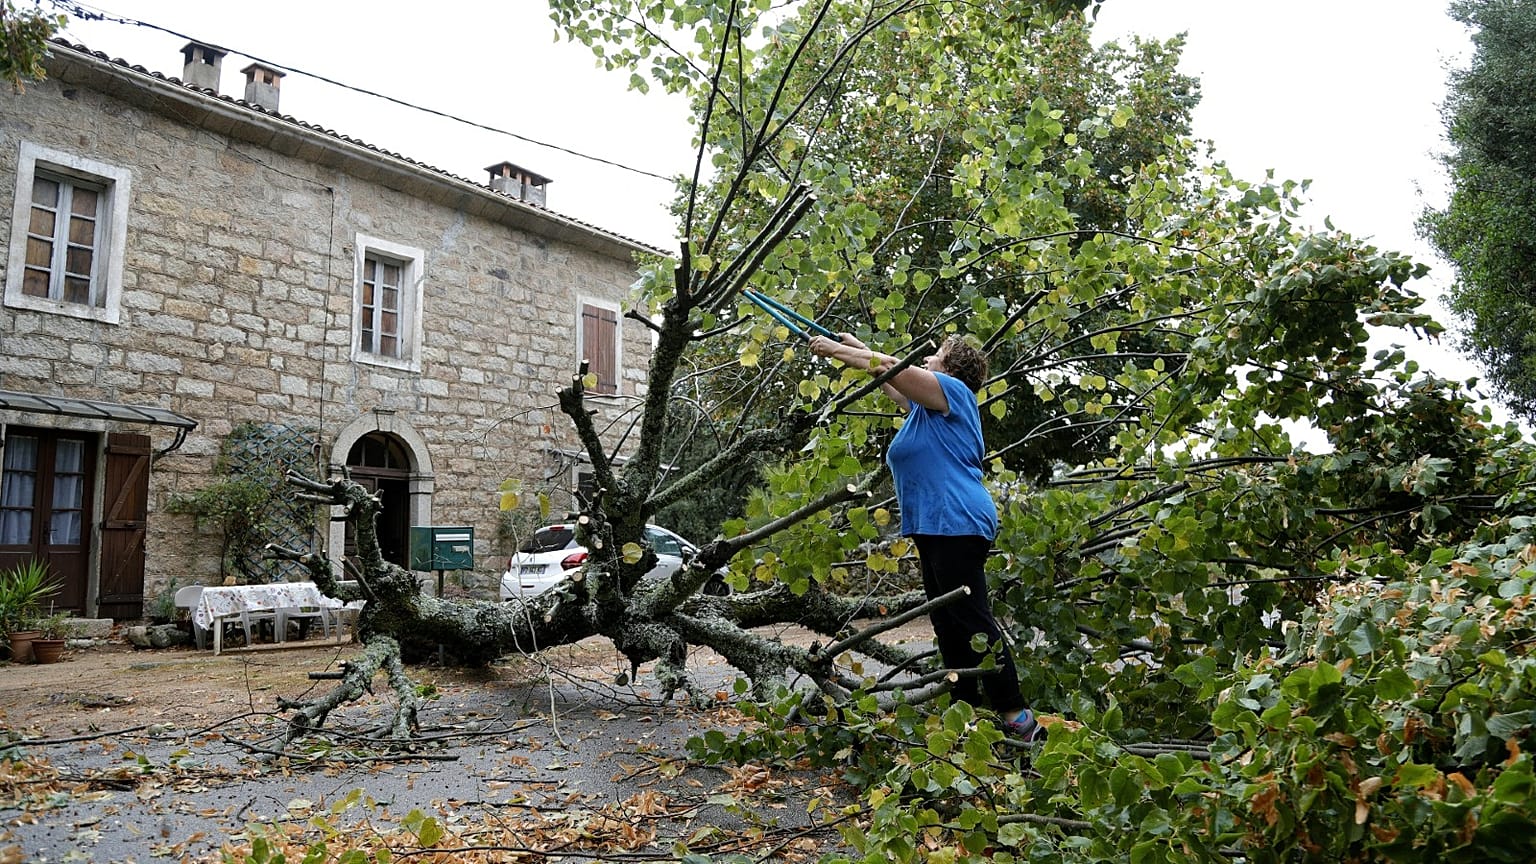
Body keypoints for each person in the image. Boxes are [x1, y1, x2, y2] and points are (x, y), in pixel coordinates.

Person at [808, 331, 1043, 742]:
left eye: (936, 355)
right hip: (936, 524)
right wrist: (857, 346)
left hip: (956, 520)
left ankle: (1017, 716)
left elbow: (889, 367)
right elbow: (889, 378)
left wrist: (840, 353)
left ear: (951, 369)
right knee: (947, 623)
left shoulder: (953, 392)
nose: (929, 358)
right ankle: (964, 715)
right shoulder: (927, 409)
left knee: (971, 620)